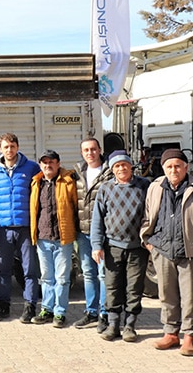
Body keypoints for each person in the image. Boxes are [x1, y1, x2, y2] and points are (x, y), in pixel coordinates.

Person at [141, 148, 193, 356]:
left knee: (191, 297)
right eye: (169, 166)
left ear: (186, 167)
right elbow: (148, 215)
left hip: (190, 252)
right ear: (163, 168)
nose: (173, 170)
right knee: (167, 295)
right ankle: (171, 333)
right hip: (163, 250)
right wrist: (147, 240)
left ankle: (190, 336)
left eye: (177, 166)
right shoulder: (155, 187)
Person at [90, 150, 150, 342]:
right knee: (113, 286)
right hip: (112, 247)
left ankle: (130, 325)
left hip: (137, 247)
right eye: (117, 166)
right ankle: (113, 324)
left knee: (134, 287)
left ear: (131, 166)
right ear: (112, 169)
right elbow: (97, 220)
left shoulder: (145, 186)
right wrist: (96, 245)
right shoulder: (105, 189)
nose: (121, 168)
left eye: (124, 164)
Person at [0, 133, 41, 322]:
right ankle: (3, 305)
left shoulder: (32, 167)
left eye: (12, 146)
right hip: (4, 228)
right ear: (0, 149)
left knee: (29, 270)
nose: (9, 150)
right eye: (5, 147)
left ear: (17, 147)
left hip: (26, 227)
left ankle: (30, 307)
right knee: (4, 270)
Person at [29, 150, 78, 328]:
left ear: (58, 164)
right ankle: (47, 310)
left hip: (62, 238)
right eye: (44, 162)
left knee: (63, 278)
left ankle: (60, 312)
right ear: (40, 165)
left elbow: (76, 208)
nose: (48, 165)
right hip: (43, 238)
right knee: (46, 277)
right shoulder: (36, 183)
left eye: (51, 162)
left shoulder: (68, 181)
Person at [73, 138, 114, 331]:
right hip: (83, 233)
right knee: (88, 274)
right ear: (82, 153)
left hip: (103, 233)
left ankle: (104, 314)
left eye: (93, 149)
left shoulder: (109, 173)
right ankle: (91, 312)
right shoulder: (77, 175)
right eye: (86, 150)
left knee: (103, 274)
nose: (90, 153)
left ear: (99, 150)